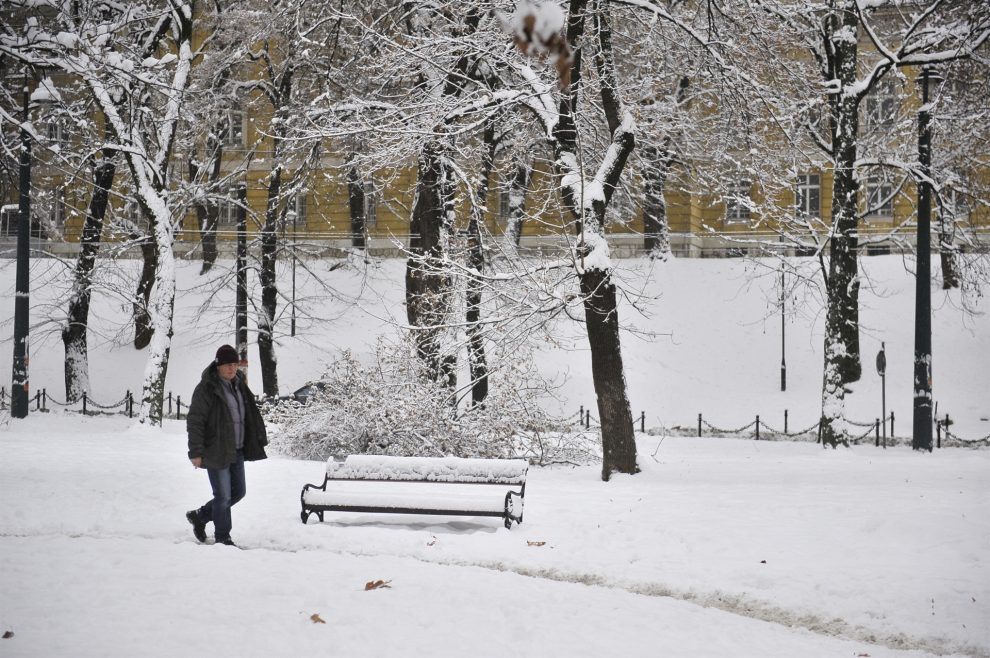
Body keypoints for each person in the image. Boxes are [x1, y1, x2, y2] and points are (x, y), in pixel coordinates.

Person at [185, 344, 268, 546]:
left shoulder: (239, 384)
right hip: (216, 449)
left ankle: (200, 516)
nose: (232, 368)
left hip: (237, 449)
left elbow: (248, 414)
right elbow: (195, 420)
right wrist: (195, 452)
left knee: (238, 492)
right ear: (218, 365)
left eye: (234, 364)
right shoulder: (207, 388)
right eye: (228, 365)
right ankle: (223, 537)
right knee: (222, 496)